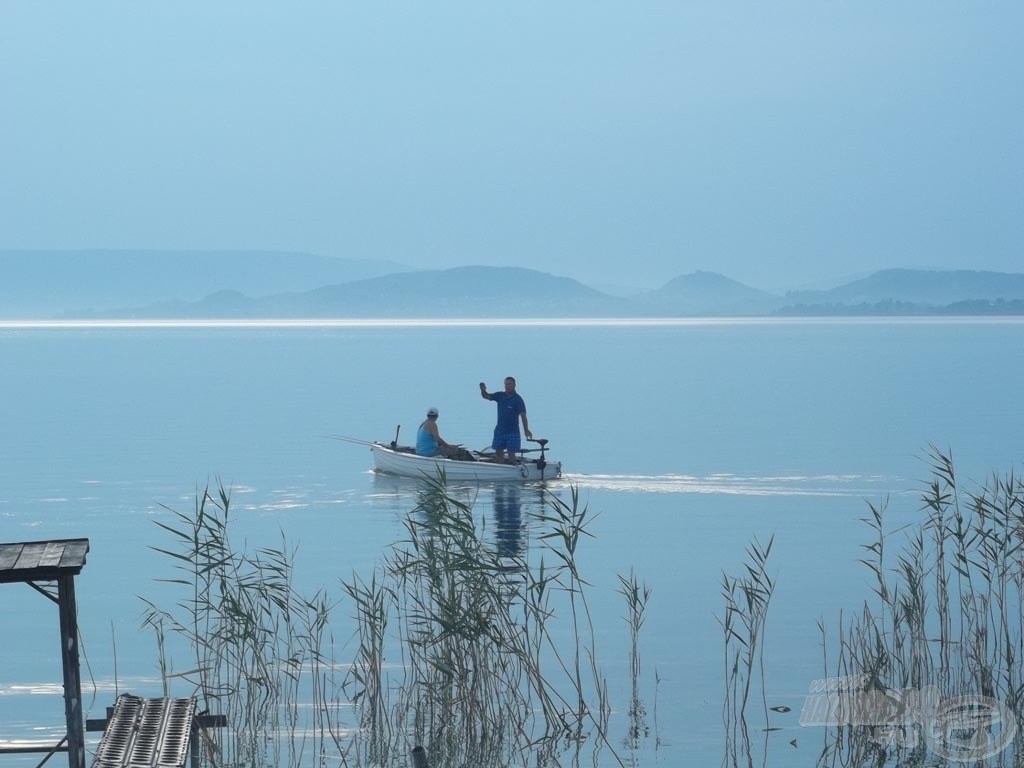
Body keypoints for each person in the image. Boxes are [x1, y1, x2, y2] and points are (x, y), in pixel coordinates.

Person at [479, 376, 533, 463]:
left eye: (509, 384)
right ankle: (500, 470)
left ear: (514, 385)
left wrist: (526, 430)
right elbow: (486, 396)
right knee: (498, 453)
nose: (507, 386)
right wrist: (483, 390)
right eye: (506, 384)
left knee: (511, 454)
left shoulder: (518, 399)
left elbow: (523, 415)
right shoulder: (500, 395)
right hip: (500, 430)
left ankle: (513, 470)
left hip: (512, 431)